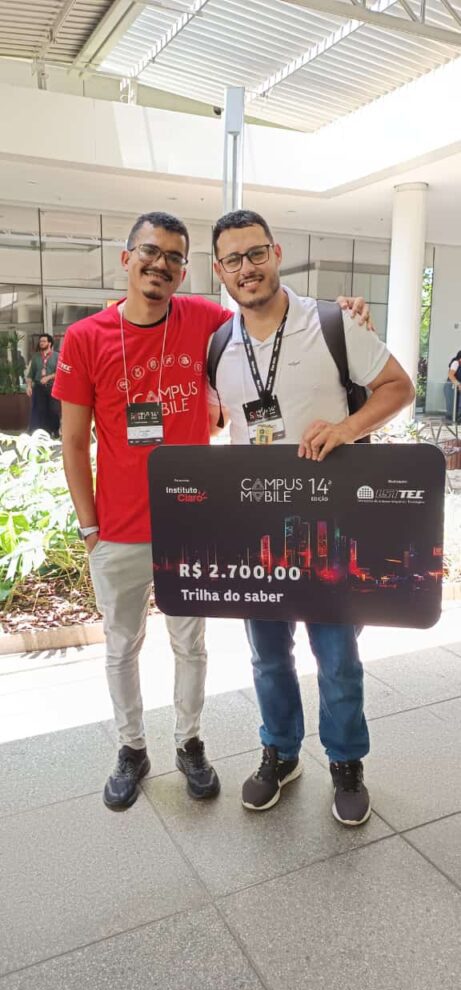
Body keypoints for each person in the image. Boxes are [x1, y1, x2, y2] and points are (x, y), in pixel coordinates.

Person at [52, 210, 372, 813]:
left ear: (187, 270)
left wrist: (347, 312)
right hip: (116, 528)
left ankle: (189, 744)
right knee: (121, 646)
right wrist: (90, 527)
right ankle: (131, 749)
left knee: (191, 646)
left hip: (190, 525)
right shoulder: (86, 337)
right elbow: (72, 441)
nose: (161, 264)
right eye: (151, 252)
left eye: (175, 257)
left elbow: (270, 313)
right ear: (127, 258)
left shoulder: (205, 322)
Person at [209, 209, 414, 826]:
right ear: (219, 270)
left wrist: (347, 429)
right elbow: (222, 421)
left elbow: (398, 386)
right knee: (268, 655)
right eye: (233, 259)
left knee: (337, 655)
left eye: (256, 253)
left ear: (275, 253)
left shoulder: (330, 323)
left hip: (330, 529)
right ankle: (280, 750)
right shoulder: (218, 345)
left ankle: (346, 761)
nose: (247, 268)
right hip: (257, 533)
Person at [26, 334, 61, 437]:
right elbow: (30, 374)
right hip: (39, 388)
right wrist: (29, 386)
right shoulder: (36, 357)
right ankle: (45, 433)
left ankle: (55, 431)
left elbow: (60, 373)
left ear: (49, 343)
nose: (41, 343)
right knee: (41, 411)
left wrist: (48, 377)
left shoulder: (57, 356)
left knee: (54, 410)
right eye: (40, 341)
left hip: (52, 387)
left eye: (44, 341)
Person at [444, 350, 461, 422]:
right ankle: (450, 424)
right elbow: (450, 375)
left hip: (457, 389)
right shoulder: (456, 363)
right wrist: (458, 384)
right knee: (451, 408)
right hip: (451, 387)